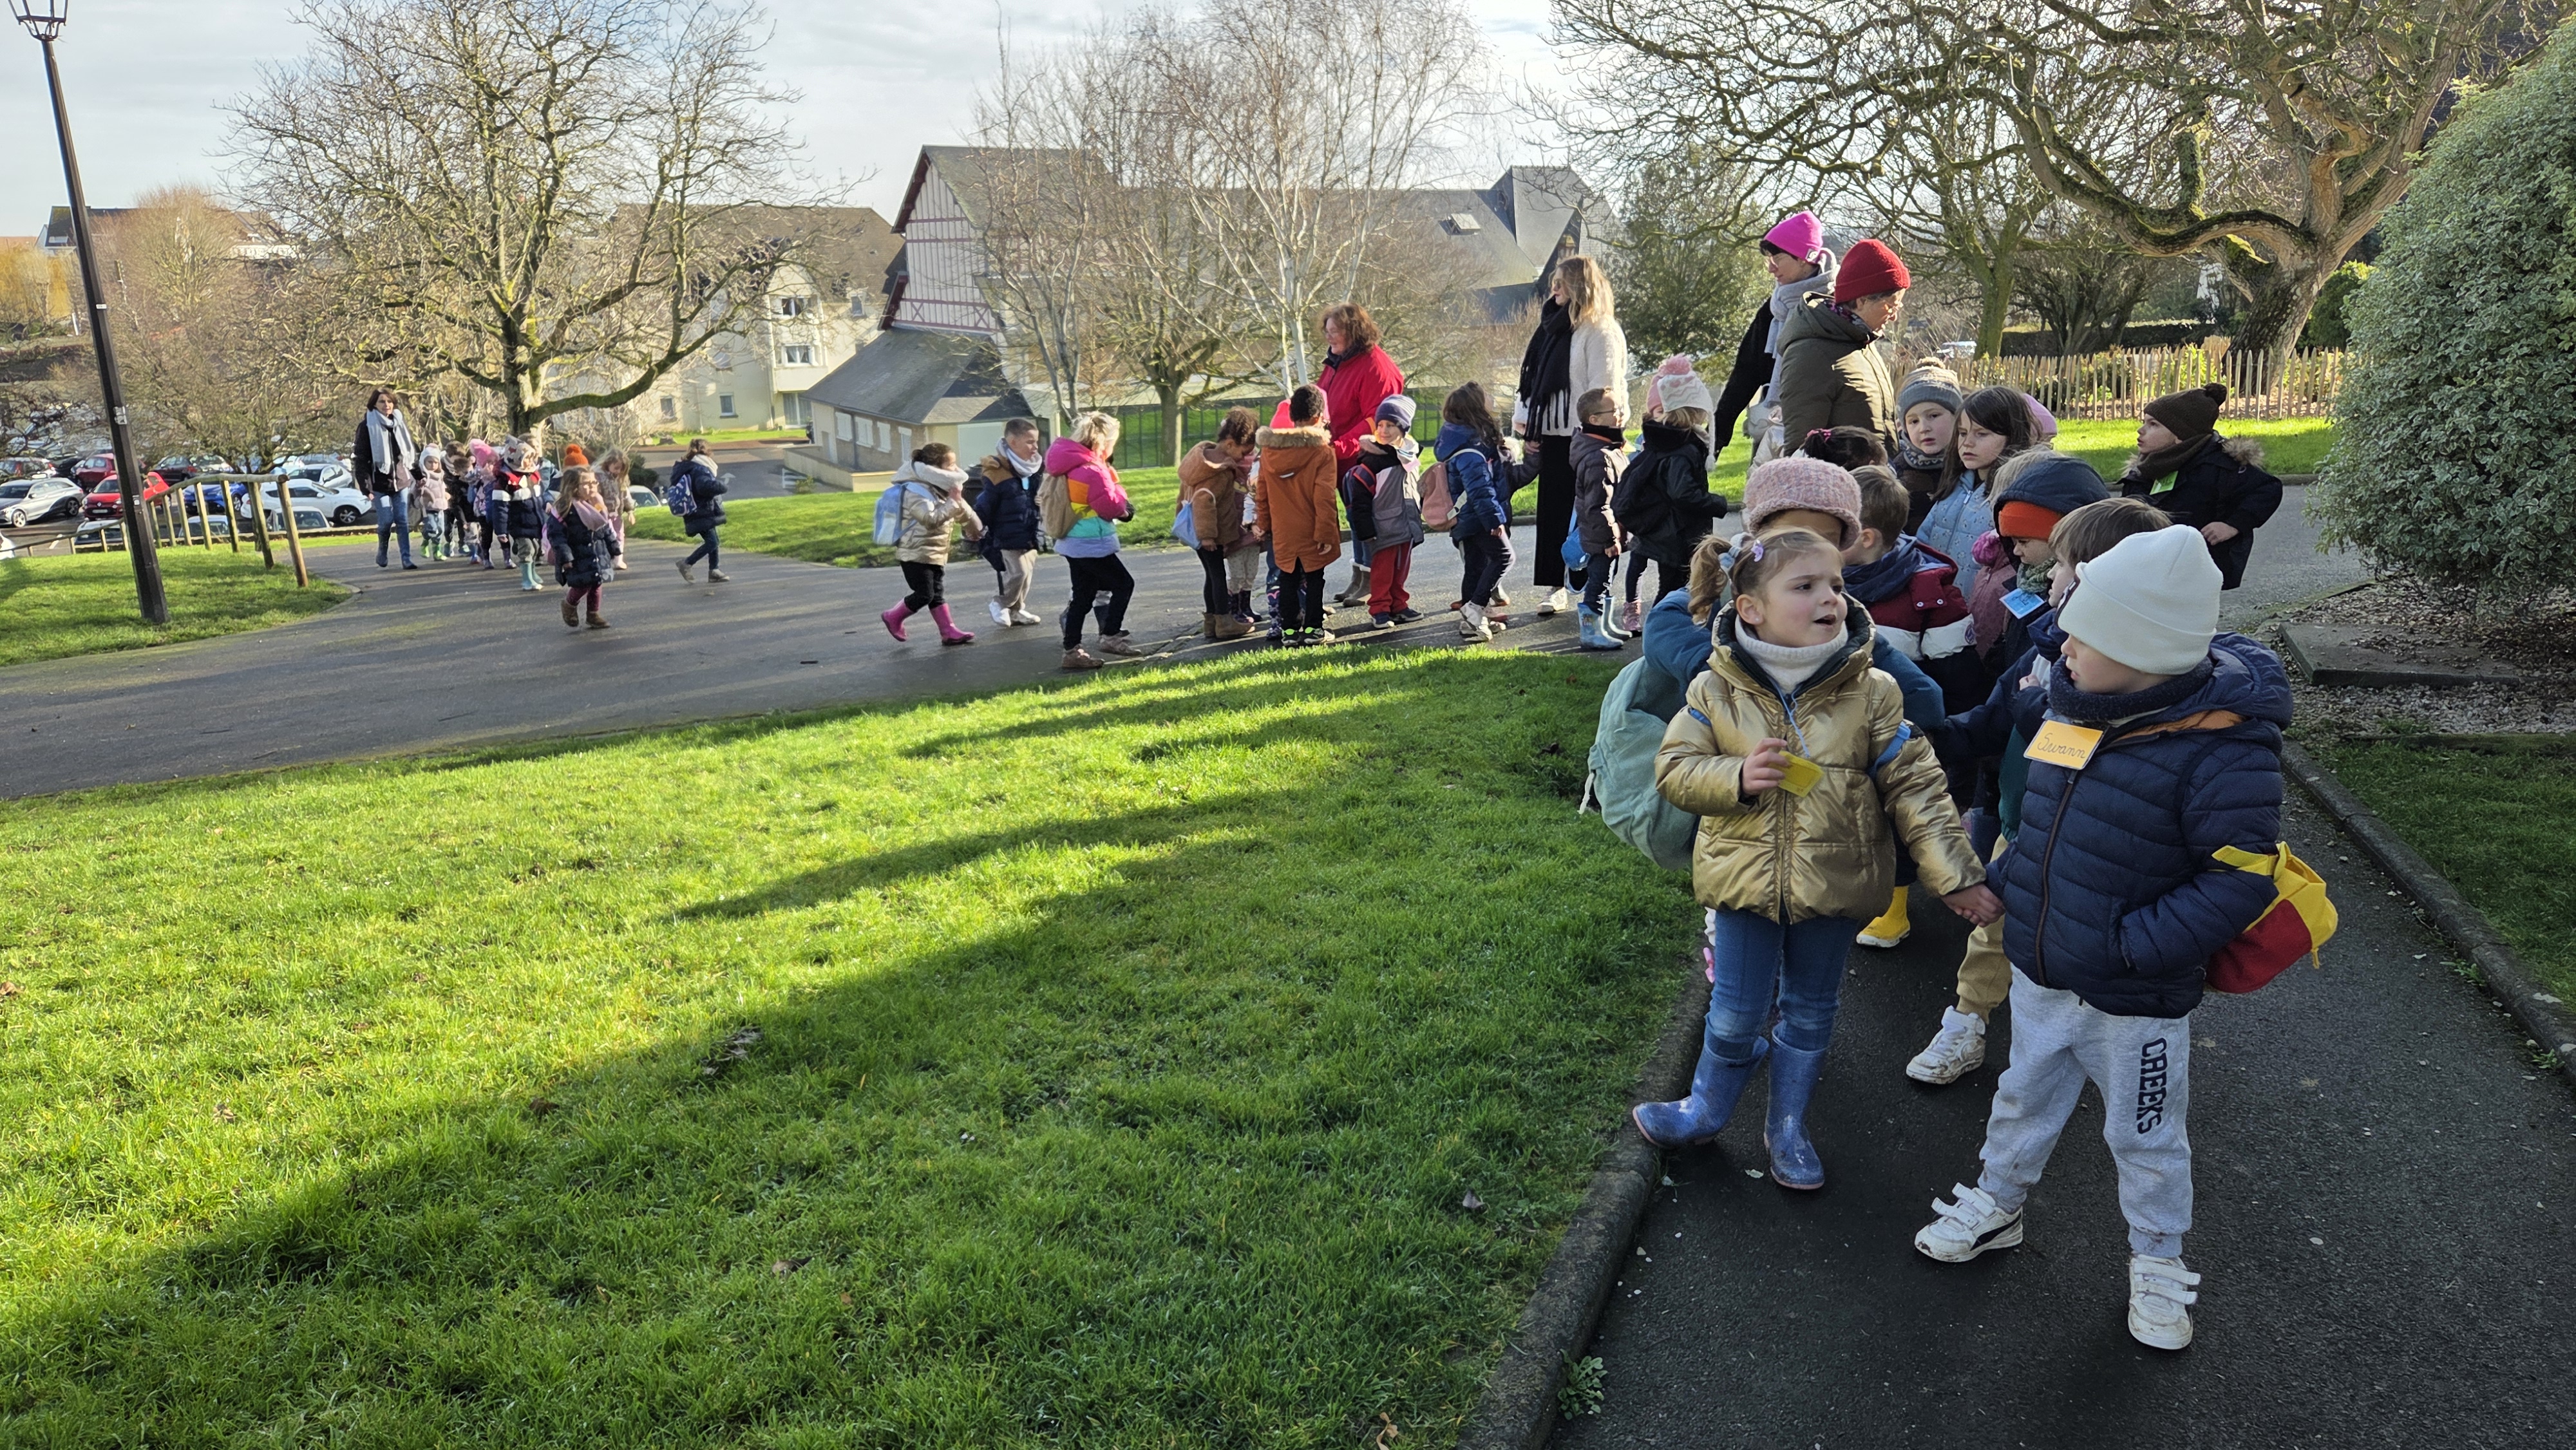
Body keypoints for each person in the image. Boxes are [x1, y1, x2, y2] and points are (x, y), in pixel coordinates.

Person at [1915, 525, 2290, 1354]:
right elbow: (2044, 831)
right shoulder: (2071, 706)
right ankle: (1997, 1201)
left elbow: (2238, 878)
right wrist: (2003, 893)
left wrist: (2130, 946)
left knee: (2146, 1133)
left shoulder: (2224, 750)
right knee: (2022, 1097)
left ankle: (2157, 1258)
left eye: (2087, 634)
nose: (2065, 646)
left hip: (2133, 996)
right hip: (2047, 975)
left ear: (2146, 651)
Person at [1634, 522, 1996, 1189]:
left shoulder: (1873, 691)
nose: (1830, 596)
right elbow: (1674, 769)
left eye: (1835, 582)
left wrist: (1956, 876)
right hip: (1745, 885)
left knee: (1810, 1008)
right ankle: (1705, 1107)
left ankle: (1787, 1126)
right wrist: (1735, 778)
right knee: (1737, 1011)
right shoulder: (1716, 689)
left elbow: (1918, 786)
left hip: (1836, 885)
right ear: (1750, 607)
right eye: (1804, 585)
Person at [1907, 497, 2173, 1087]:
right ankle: (1968, 1019)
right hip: (2022, 820)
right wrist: (1920, 738)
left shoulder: (2133, 668)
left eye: (2064, 565)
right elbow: (1991, 719)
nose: (2049, 576)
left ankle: (2079, 1050)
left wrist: (2035, 705)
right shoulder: (2046, 645)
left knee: (2080, 945)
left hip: (2096, 845)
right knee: (1993, 928)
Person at [1513, 254, 1629, 615]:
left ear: (1580, 285)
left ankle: (1587, 582)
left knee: (1590, 511)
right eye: (1554, 282)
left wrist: (1602, 431)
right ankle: (1553, 585)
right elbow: (1531, 377)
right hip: (1552, 432)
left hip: (1588, 434)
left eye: (1562, 282)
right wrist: (1526, 422)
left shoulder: (1601, 330)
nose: (1554, 289)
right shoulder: (1551, 326)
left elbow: (1604, 387)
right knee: (1552, 511)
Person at [2117, 383, 2282, 590]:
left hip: (2200, 565)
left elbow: (2267, 489)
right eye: (2144, 423)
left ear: (2180, 435)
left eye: (2153, 425)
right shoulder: (2149, 466)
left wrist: (2233, 525)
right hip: (2153, 560)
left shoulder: (2220, 465)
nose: (2141, 430)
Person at [1971, 450, 2112, 682]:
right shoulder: (2026, 581)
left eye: (2023, 541)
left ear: (2057, 539)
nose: (2016, 551)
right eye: (2012, 542)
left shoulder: (2067, 595)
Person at [1614, 360, 1728, 636]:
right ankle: (1663, 634)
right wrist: (1717, 503)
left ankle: (1667, 632)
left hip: (1667, 529)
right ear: (1691, 411)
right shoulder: (1682, 450)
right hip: (1676, 532)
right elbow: (1683, 493)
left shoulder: (1664, 442)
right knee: (1673, 588)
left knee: (1674, 585)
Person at [1713, 211, 1841, 457]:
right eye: (1768, 259)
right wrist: (1718, 434)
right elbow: (1746, 372)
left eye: (1778, 258)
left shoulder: (1838, 305)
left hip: (1828, 432)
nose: (1771, 268)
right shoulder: (1774, 308)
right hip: (1773, 427)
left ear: (1805, 257)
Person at [1773, 238, 1908, 449]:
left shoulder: (1862, 342)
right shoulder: (1810, 355)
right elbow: (1801, 451)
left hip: (1875, 479)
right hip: (1841, 481)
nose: (1894, 317)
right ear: (1862, 301)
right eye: (1891, 306)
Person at [1314, 302, 1407, 606]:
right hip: (1340, 458)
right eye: (1327, 331)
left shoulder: (1376, 367)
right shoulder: (1336, 362)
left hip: (1365, 460)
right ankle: (1360, 575)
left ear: (1354, 331)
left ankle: (1373, 580)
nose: (1330, 337)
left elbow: (1376, 421)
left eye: (1336, 331)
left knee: (1369, 520)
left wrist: (1340, 447)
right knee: (1355, 518)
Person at [1916, 385, 2038, 599]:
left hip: (1980, 611)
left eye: (1981, 434)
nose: (1967, 443)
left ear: (2012, 435)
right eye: (1962, 433)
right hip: (1936, 606)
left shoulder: (2013, 497)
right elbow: (1923, 543)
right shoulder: (1955, 486)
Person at [1046, 411, 1142, 670]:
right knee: (1124, 584)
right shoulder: (1093, 470)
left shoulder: (1068, 465)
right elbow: (1111, 507)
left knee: (1083, 595)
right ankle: (1110, 636)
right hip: (1091, 541)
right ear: (1104, 443)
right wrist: (1124, 503)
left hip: (1073, 540)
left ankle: (1072, 650)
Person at [1254, 385, 1341, 648]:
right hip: (1312, 525)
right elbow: (1324, 496)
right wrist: (1327, 532)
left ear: (1292, 416)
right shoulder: (1323, 452)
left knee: (1287, 578)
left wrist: (1264, 524)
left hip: (1283, 528)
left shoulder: (1270, 453)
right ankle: (1314, 629)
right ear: (1319, 417)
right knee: (1315, 578)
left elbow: (1262, 491)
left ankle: (1289, 632)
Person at [1434, 383, 1516, 642]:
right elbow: (1479, 489)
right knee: (1504, 557)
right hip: (1477, 517)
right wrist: (1494, 521)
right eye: (1486, 399)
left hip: (1468, 518)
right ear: (1476, 409)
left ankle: (1471, 622)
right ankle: (1475, 608)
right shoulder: (1471, 450)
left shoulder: (1461, 441)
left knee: (1475, 566)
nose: (1492, 402)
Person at [880, 443, 981, 646]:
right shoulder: (915, 489)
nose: (955, 470)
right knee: (925, 594)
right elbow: (930, 519)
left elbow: (962, 510)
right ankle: (893, 616)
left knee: (937, 593)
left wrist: (975, 528)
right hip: (914, 553)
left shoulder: (943, 487)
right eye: (950, 465)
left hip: (936, 552)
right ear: (935, 469)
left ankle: (948, 631)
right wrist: (953, 502)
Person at [1180, 408, 1261, 640]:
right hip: (1208, 534)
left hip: (1196, 531)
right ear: (1229, 444)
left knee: (1211, 575)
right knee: (1217, 576)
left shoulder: (1201, 461)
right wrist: (1207, 536)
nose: (1242, 457)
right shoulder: (1217, 470)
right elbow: (1204, 501)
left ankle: (1211, 623)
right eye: (1242, 452)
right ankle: (1224, 621)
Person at [1352, 395, 1426, 629]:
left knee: (1401, 569)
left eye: (1390, 425)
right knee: (1382, 571)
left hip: (1406, 525)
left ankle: (1399, 605)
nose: (1383, 430)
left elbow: (1415, 487)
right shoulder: (1372, 461)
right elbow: (1360, 501)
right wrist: (1365, 530)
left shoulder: (1410, 455)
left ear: (1403, 429)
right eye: (1380, 425)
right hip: (1382, 529)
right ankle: (1380, 608)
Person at [1569, 387, 1629, 650]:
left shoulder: (1607, 447)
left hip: (1609, 530)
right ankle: (1591, 632)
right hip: (1600, 533)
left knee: (1607, 578)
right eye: (1613, 411)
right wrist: (1609, 538)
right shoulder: (1598, 457)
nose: (1619, 415)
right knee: (1599, 581)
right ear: (1594, 419)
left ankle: (1605, 624)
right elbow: (1598, 504)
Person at [973, 419, 1048, 627]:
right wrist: (975, 528)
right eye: (1030, 442)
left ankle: (1017, 611)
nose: (1035, 447)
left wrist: (1039, 501)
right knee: (1018, 573)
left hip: (1029, 528)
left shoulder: (1033, 468)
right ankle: (1000, 603)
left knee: (1027, 575)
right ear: (1013, 442)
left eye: (1036, 442)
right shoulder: (997, 471)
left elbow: (1034, 495)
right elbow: (986, 505)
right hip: (1007, 532)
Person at [353, 387, 421, 570]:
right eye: (382, 401)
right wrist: (366, 487)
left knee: (402, 520)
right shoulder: (367, 426)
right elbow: (361, 460)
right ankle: (382, 549)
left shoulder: (399, 424)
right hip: (379, 482)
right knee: (385, 521)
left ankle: (406, 559)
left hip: (401, 481)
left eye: (390, 401)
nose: (387, 405)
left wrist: (419, 476)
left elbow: (409, 453)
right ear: (374, 404)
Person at [1893, 366, 1965, 533]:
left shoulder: (1968, 466)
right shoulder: (1897, 471)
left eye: (1933, 416)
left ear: (1957, 417)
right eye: (1914, 421)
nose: (1924, 428)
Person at [547, 466, 616, 629]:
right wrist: (565, 557)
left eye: (594, 482)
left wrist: (613, 545)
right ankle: (569, 605)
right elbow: (557, 535)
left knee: (597, 583)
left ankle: (593, 614)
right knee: (581, 585)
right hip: (577, 554)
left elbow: (605, 528)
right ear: (573, 487)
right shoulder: (565, 509)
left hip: (596, 551)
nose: (593, 486)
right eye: (587, 483)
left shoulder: (597, 504)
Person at [672, 438, 728, 583]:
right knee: (712, 542)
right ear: (707, 452)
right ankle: (687, 563)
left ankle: (714, 570)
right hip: (700, 511)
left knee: (714, 540)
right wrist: (721, 486)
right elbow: (703, 487)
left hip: (695, 510)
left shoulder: (688, 467)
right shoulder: (700, 468)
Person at [595, 447, 634, 571]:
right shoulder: (599, 477)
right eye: (616, 467)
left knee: (619, 535)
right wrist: (599, 510)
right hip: (604, 513)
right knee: (608, 536)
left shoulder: (621, 478)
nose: (618, 471)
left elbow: (626, 495)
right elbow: (595, 496)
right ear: (608, 463)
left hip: (617, 513)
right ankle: (606, 558)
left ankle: (618, 560)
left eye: (621, 469)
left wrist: (630, 511)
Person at [412, 447, 450, 562]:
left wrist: (446, 495)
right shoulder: (423, 476)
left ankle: (437, 551)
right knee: (432, 529)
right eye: (430, 462)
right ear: (424, 462)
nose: (433, 465)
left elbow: (443, 489)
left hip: (440, 507)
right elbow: (416, 490)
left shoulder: (440, 476)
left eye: (436, 462)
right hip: (428, 508)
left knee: (440, 530)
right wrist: (423, 492)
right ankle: (425, 542)